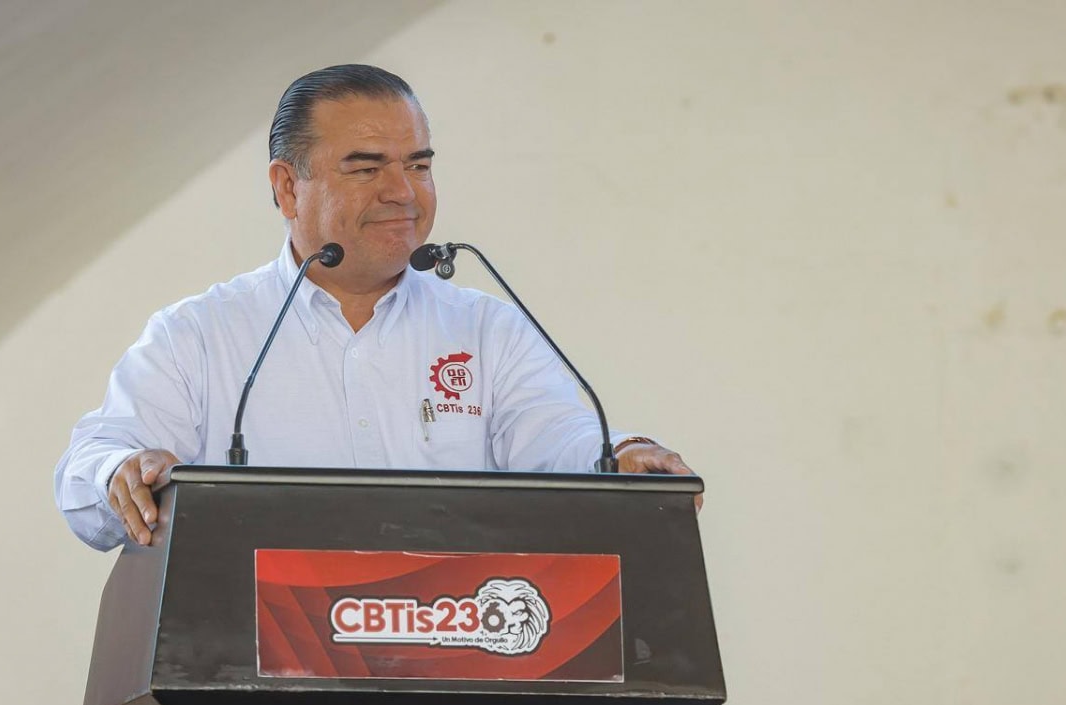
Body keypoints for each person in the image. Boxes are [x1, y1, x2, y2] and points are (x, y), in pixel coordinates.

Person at [54, 65, 697, 551]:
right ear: (287, 187)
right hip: (252, 665)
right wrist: (119, 472)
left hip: (454, 655)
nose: (403, 192)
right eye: (366, 169)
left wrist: (621, 455)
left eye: (418, 165)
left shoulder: (486, 330)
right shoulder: (199, 334)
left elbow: (555, 438)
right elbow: (92, 465)